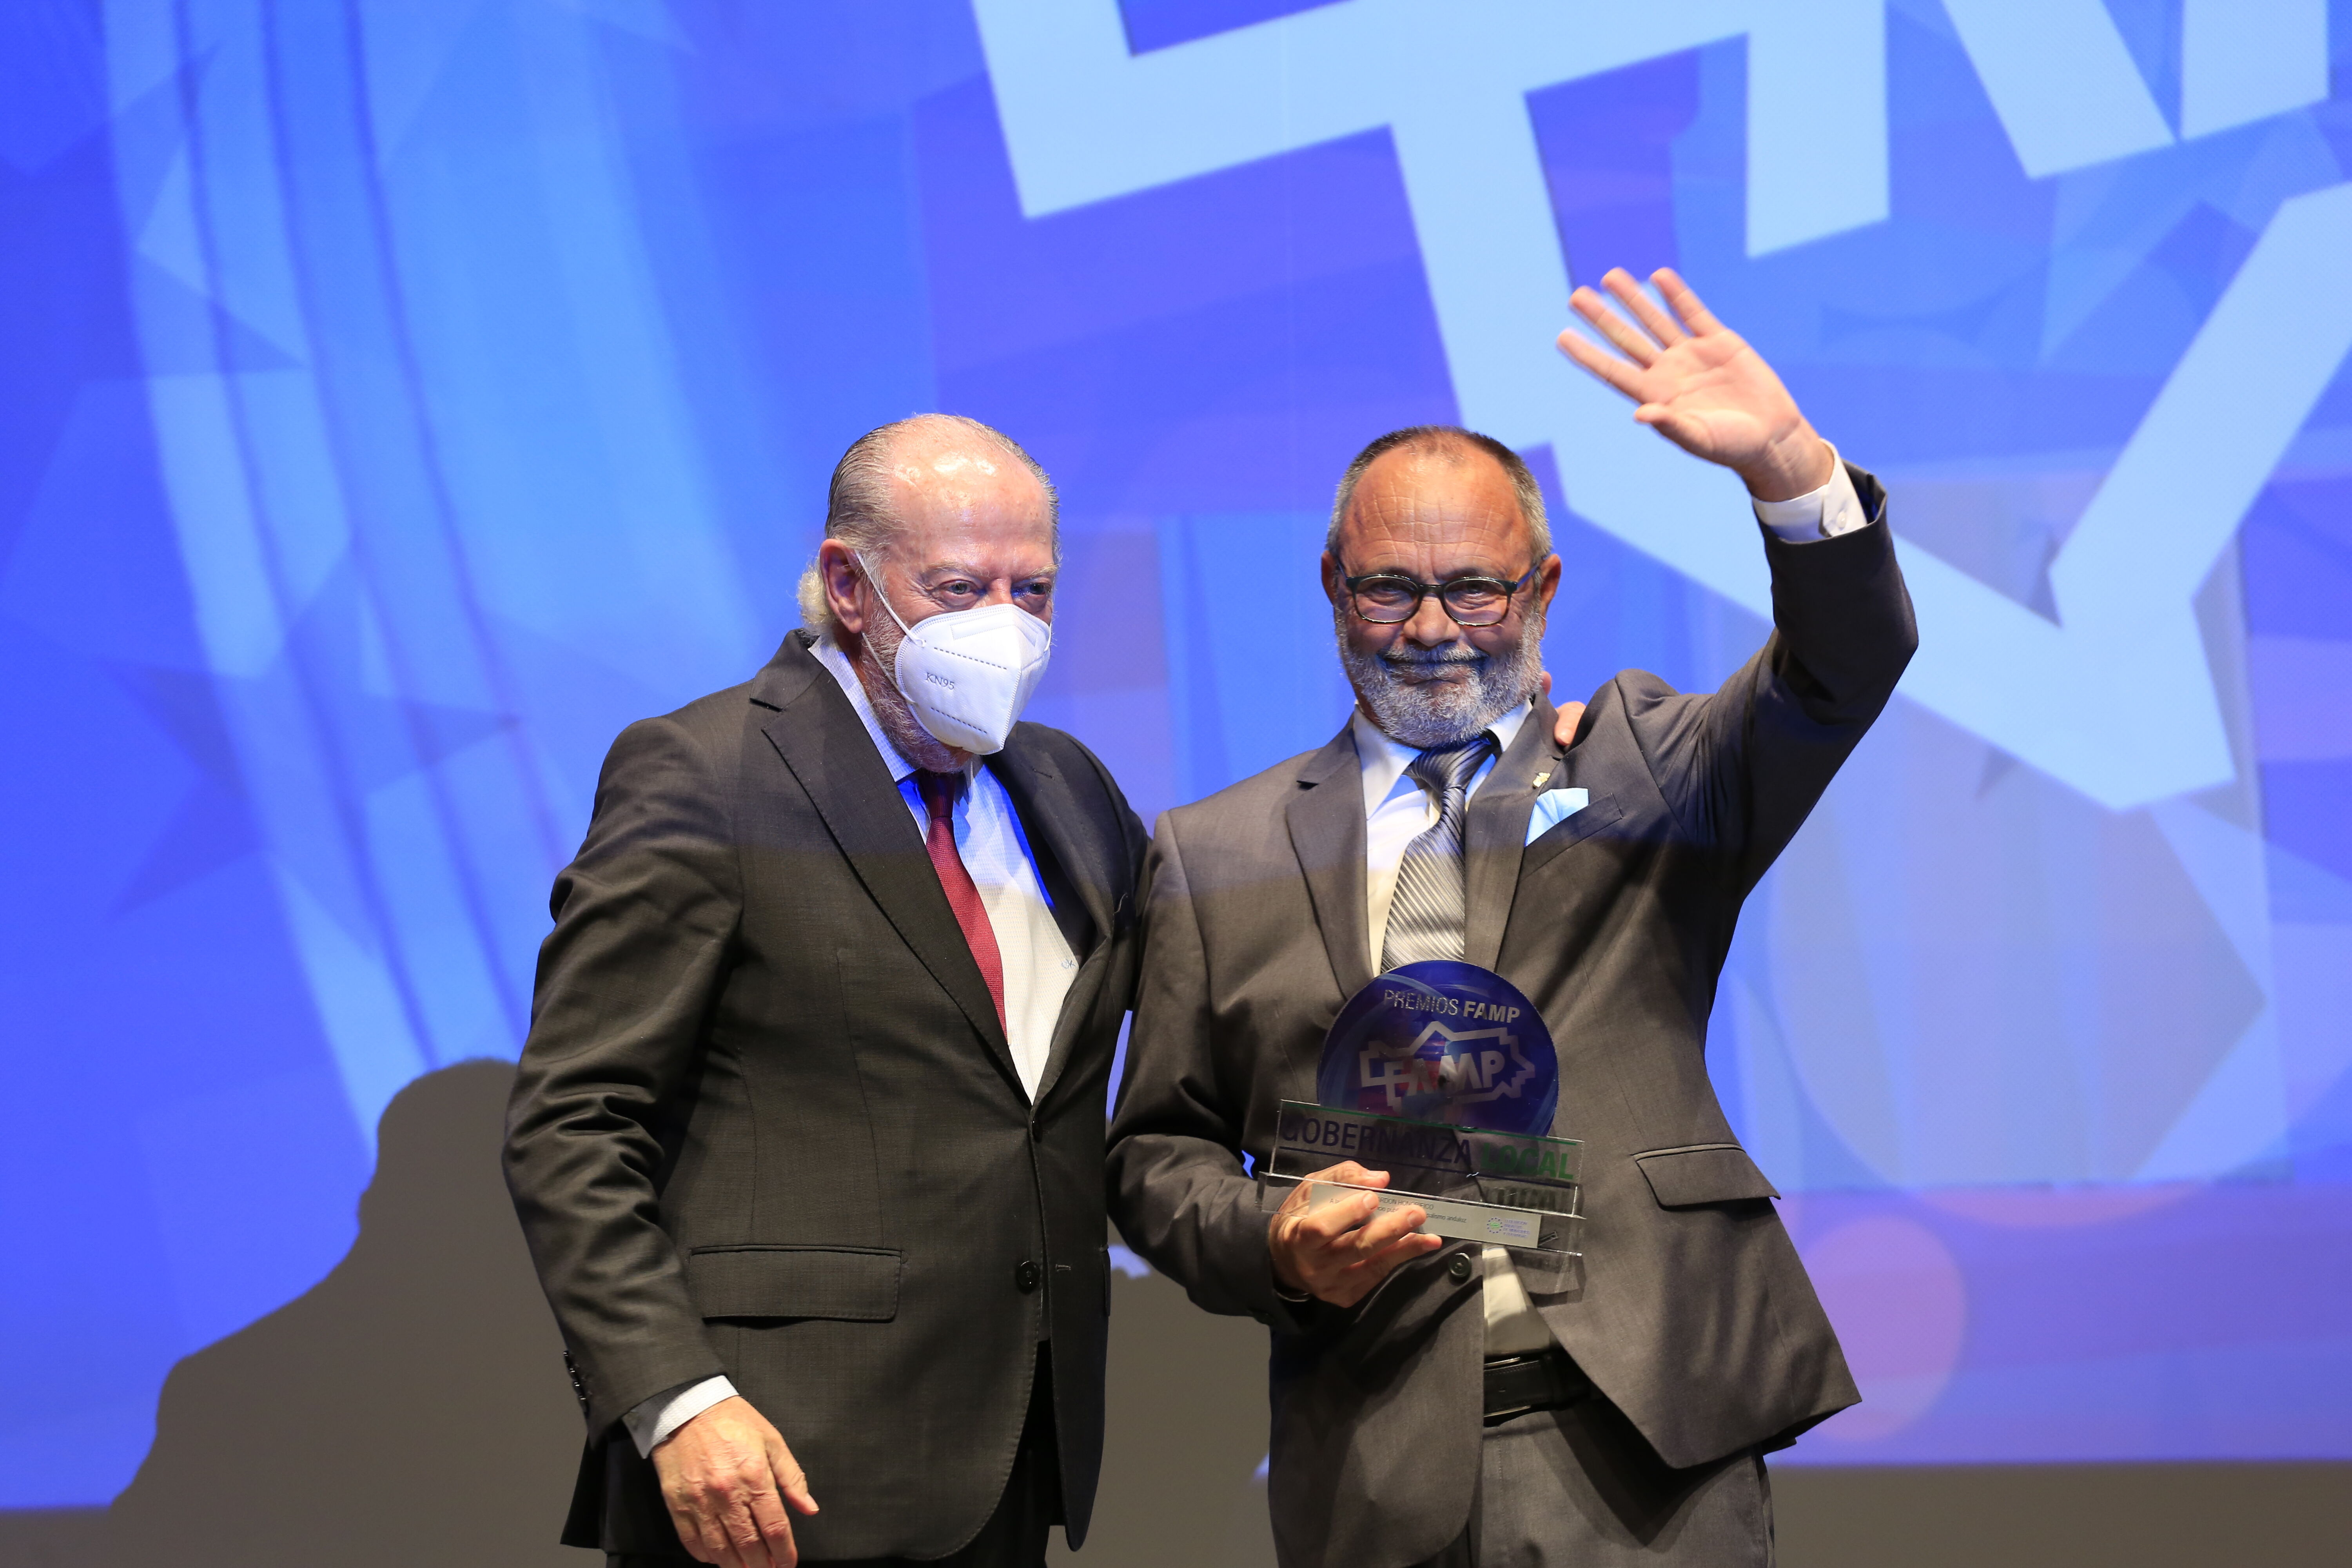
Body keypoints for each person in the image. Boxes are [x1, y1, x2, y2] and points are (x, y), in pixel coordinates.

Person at [1107, 268, 1917, 1568]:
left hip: (1646, 1453)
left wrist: (1787, 469)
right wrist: (1278, 1241)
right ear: (1332, 586)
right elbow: (1157, 1153)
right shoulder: (1214, 852)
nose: (1432, 630)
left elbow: (1842, 670)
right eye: (1389, 589)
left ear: (1541, 591)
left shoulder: (1643, 770)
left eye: (1476, 589)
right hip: (1377, 1461)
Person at [504, 414, 1148, 1568]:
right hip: (768, 1469)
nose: (1006, 625)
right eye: (961, 588)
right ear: (850, 586)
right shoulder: (705, 772)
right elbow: (574, 1122)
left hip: (1010, 1452)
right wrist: (674, 1399)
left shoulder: (1068, 786)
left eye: (1035, 590)